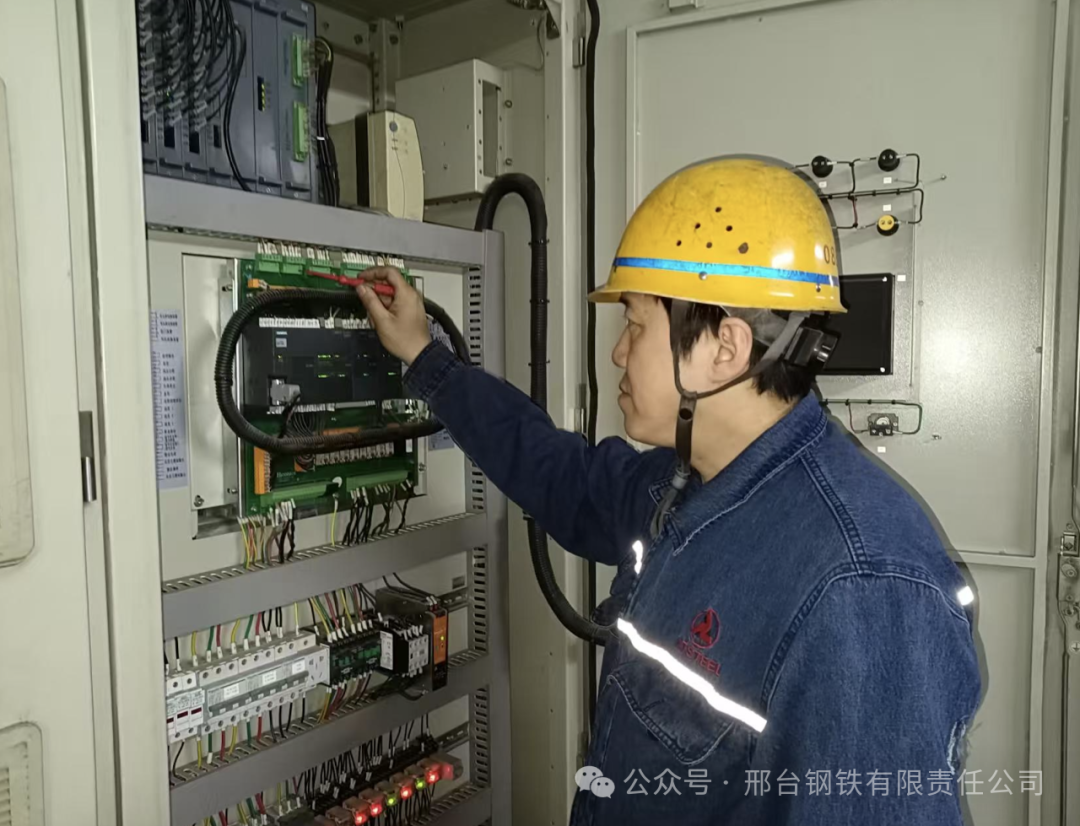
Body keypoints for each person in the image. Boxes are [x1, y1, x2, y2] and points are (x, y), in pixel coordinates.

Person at [355, 157, 982, 825]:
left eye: (635, 325)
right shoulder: (684, 484)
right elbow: (559, 474)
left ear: (724, 349)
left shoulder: (862, 588)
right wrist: (426, 358)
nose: (619, 353)